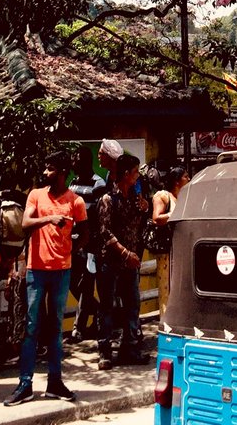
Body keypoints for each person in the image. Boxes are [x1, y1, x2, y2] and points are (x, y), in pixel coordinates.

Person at [4, 151, 87, 405]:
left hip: (61, 271)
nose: (45, 173)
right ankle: (25, 383)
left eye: (51, 169)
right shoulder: (36, 195)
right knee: (31, 326)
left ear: (62, 172)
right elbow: (26, 224)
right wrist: (50, 219)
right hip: (36, 270)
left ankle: (55, 381)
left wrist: (72, 248)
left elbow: (85, 232)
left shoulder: (76, 201)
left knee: (55, 328)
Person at [95, 153, 149, 369]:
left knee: (132, 306)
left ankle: (130, 348)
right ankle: (105, 351)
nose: (137, 177)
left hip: (130, 263)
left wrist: (145, 207)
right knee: (107, 307)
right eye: (135, 172)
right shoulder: (108, 199)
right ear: (126, 174)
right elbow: (105, 233)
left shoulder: (135, 198)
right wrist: (126, 253)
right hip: (112, 262)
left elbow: (139, 226)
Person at [67, 145, 105, 343]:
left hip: (90, 244)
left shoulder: (98, 184)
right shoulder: (72, 184)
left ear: (85, 161)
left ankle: (77, 329)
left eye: (76, 159)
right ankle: (97, 311)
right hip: (72, 242)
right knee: (74, 284)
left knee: (87, 285)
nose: (73, 163)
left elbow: (100, 216)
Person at [150, 166, 189, 315]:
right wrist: (174, 214)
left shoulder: (184, 196)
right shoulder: (163, 196)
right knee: (166, 289)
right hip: (166, 251)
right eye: (186, 176)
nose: (189, 179)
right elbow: (156, 218)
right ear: (177, 181)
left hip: (180, 250)